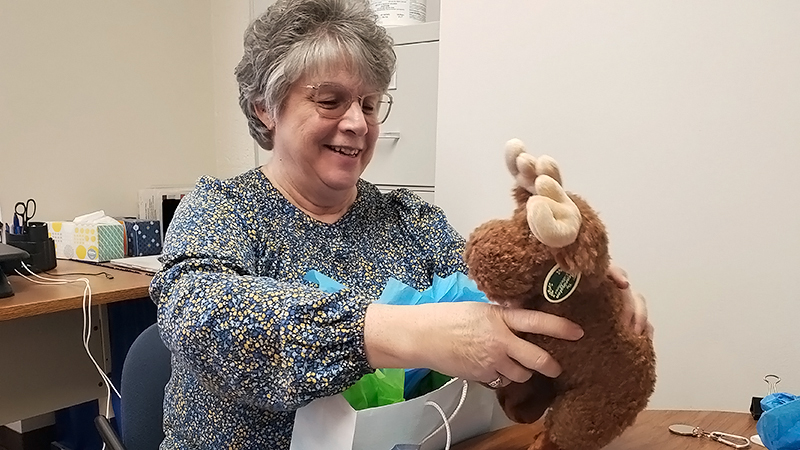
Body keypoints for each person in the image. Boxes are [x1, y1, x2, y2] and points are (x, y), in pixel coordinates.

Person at [150, 0, 652, 448]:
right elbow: (197, 317)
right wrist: (406, 333)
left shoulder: (409, 220)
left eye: (369, 103)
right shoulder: (220, 209)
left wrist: (583, 294)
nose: (357, 123)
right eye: (330, 101)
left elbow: (503, 298)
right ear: (266, 108)